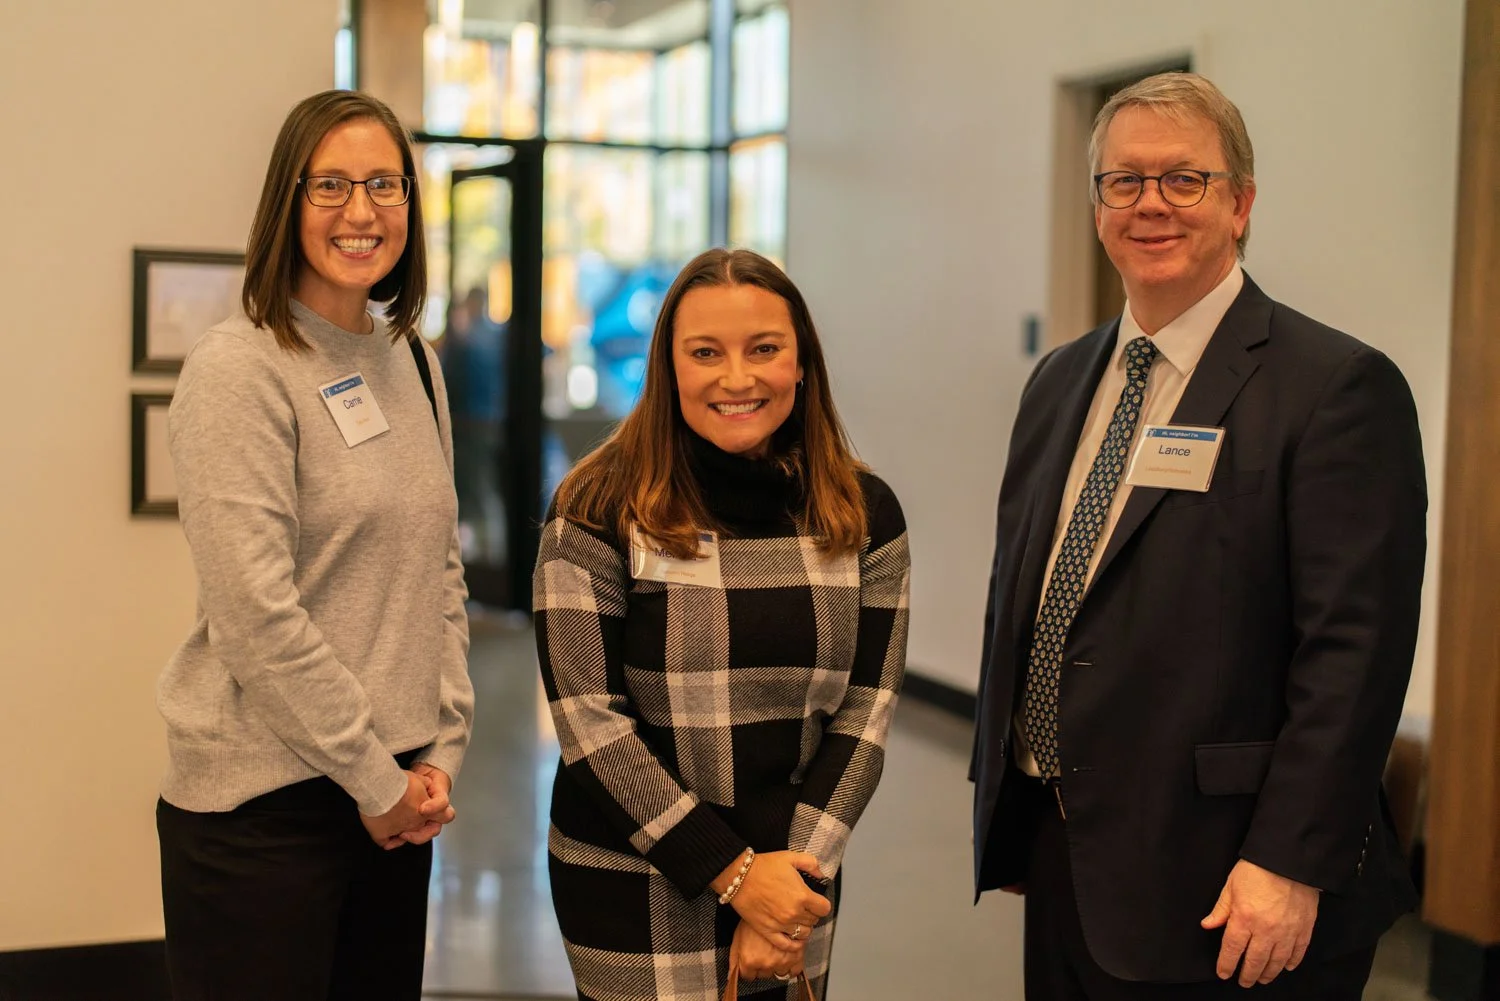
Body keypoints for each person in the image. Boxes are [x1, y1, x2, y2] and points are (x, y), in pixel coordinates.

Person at [970, 72, 1426, 1000]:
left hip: (1235, 878)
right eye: (1124, 181)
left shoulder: (1335, 386)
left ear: (1241, 204)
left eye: (1185, 179)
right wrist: (1018, 803)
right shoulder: (1058, 381)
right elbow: (1026, 594)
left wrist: (1289, 861)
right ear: (1098, 205)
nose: (1151, 204)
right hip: (1068, 845)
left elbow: (1355, 653)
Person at [154, 90, 475, 1001]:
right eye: (329, 184)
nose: (360, 210)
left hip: (397, 799)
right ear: (286, 202)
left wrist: (441, 748)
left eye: (384, 184)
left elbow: (440, 572)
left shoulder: (415, 362)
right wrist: (375, 780)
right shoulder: (239, 368)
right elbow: (256, 617)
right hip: (265, 813)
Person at [532, 248, 910, 1000]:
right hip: (632, 877)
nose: (737, 378)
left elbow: (865, 714)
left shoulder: (864, 512)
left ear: (802, 364)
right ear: (668, 367)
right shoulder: (595, 507)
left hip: (796, 875)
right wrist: (736, 877)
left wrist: (787, 887)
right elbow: (590, 723)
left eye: (764, 349)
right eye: (705, 353)